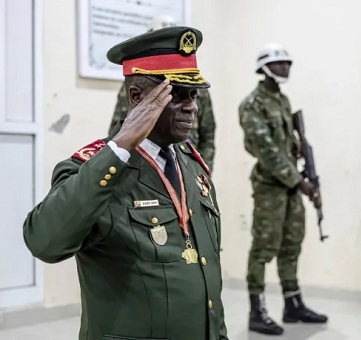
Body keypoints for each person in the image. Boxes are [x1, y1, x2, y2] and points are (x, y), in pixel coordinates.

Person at [23, 26, 228, 340]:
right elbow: (44, 242)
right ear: (136, 97)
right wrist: (118, 149)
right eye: (177, 94)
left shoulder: (193, 167)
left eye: (194, 95)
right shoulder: (96, 169)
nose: (192, 106)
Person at [238, 42, 328, 336]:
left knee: (291, 245)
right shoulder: (252, 104)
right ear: (264, 67)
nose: (285, 67)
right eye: (280, 63)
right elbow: (266, 151)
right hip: (270, 186)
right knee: (264, 247)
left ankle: (292, 304)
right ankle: (256, 309)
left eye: (288, 63)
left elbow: (284, 145)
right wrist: (299, 182)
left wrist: (298, 150)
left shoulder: (283, 101)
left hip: (290, 186)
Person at [109, 16, 217, 172]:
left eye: (192, 95)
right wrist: (118, 159)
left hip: (185, 165)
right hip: (143, 165)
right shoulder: (138, 86)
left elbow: (208, 134)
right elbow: (119, 127)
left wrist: (202, 171)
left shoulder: (201, 91)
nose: (191, 107)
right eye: (173, 93)